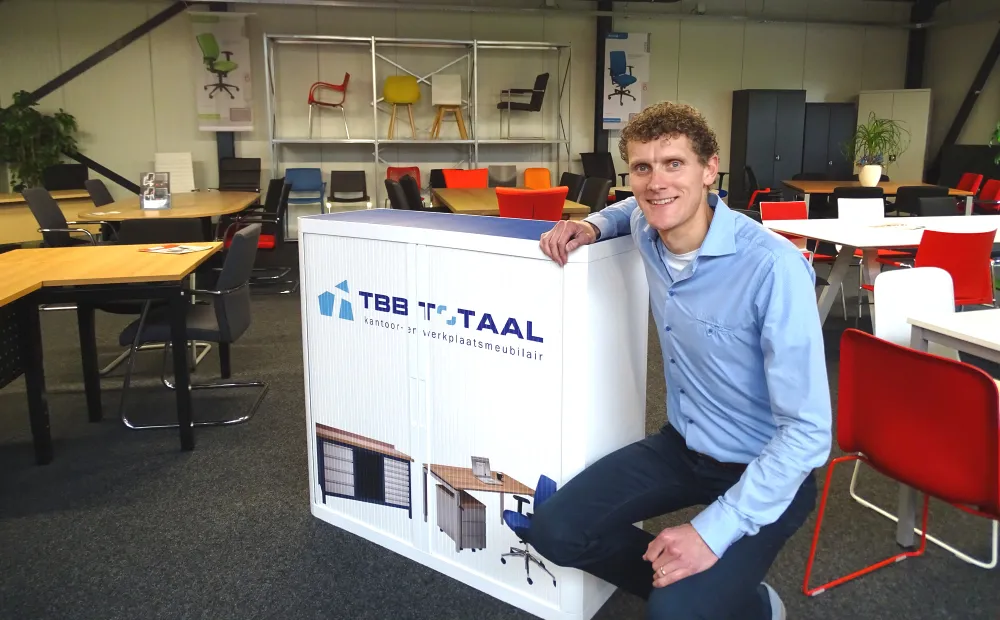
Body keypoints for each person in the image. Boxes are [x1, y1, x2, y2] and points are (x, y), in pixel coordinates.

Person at [531, 101, 832, 620]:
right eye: (642, 168)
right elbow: (629, 209)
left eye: (674, 164)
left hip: (764, 464)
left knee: (674, 613)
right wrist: (593, 226)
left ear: (709, 169)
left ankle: (744, 605)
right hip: (683, 446)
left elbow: (808, 432)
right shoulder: (647, 227)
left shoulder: (773, 268)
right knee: (554, 531)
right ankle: (716, 595)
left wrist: (710, 533)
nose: (657, 183)